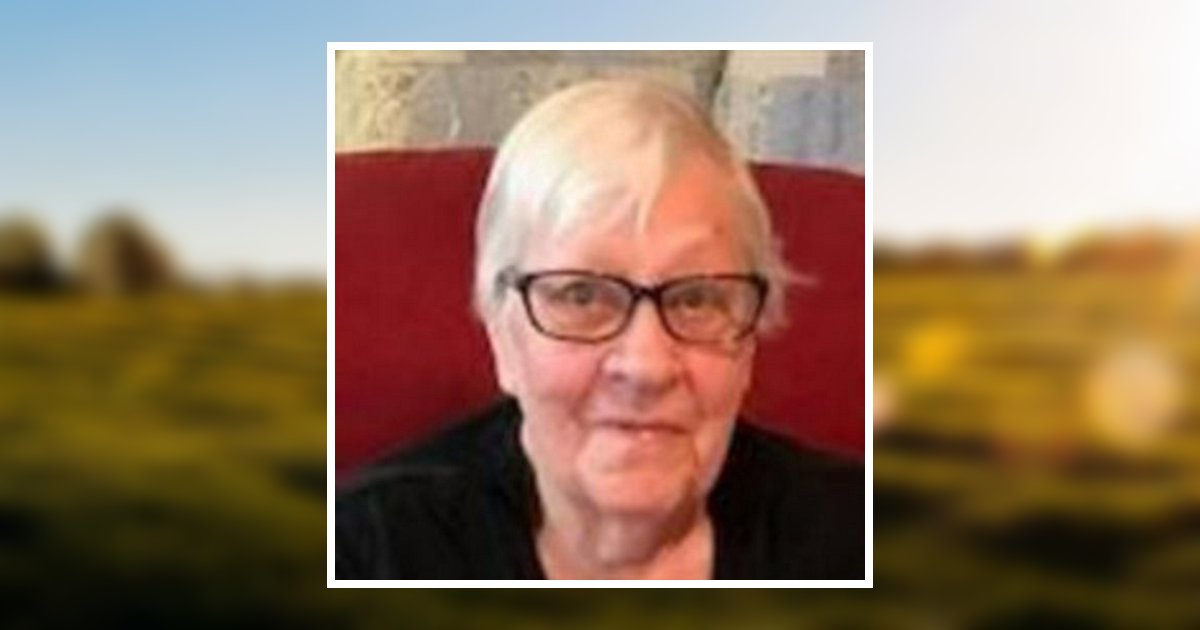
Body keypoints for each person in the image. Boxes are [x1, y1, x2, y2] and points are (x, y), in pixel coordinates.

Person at [336, 79, 864, 580]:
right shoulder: (368, 551)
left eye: (696, 298)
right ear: (503, 335)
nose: (647, 367)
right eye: (581, 296)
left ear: (748, 345)